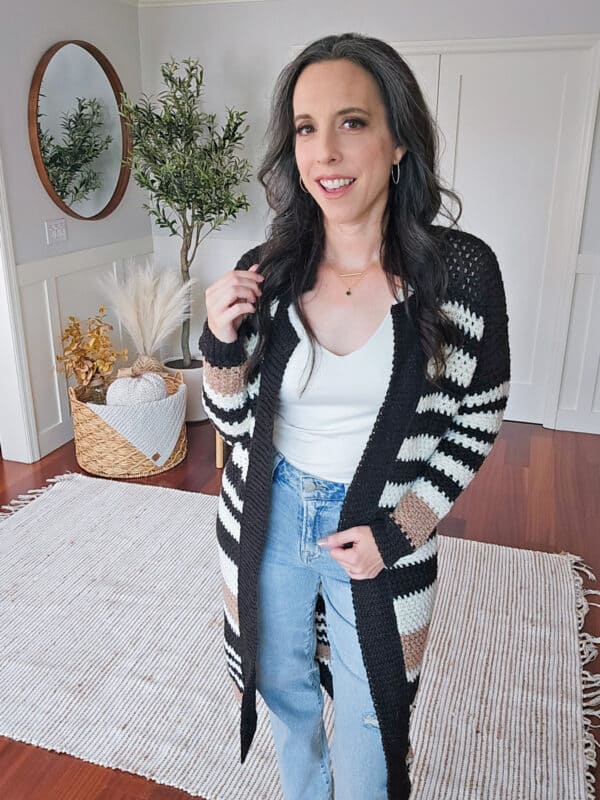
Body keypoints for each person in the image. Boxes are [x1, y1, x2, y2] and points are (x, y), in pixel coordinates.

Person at [198, 32, 511, 800]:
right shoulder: (270, 268)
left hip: (376, 536)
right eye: (306, 128)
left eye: (352, 123)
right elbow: (234, 428)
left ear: (399, 139)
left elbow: (478, 419)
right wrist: (219, 342)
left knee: (376, 720)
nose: (326, 153)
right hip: (266, 516)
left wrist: (398, 531)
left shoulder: (459, 273)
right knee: (282, 687)